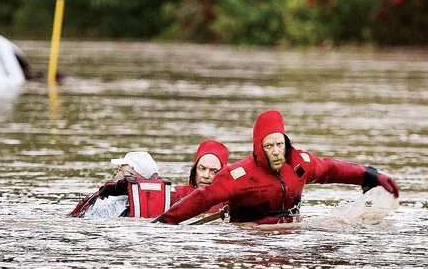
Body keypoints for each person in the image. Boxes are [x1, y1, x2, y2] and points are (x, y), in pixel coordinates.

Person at [153, 110, 400, 225]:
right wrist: (164, 222)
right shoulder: (237, 175)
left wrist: (371, 175)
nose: (275, 151)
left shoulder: (300, 163)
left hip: (292, 231)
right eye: (268, 145)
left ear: (286, 142)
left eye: (279, 144)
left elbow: (331, 169)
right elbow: (202, 198)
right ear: (259, 148)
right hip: (251, 237)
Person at [70, 151, 172, 219]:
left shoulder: (110, 203)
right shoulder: (165, 204)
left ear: (130, 176)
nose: (116, 172)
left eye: (120, 170)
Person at [171, 139, 229, 213]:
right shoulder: (175, 195)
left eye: (214, 171)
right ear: (195, 170)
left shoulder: (231, 202)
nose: (206, 175)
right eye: (202, 169)